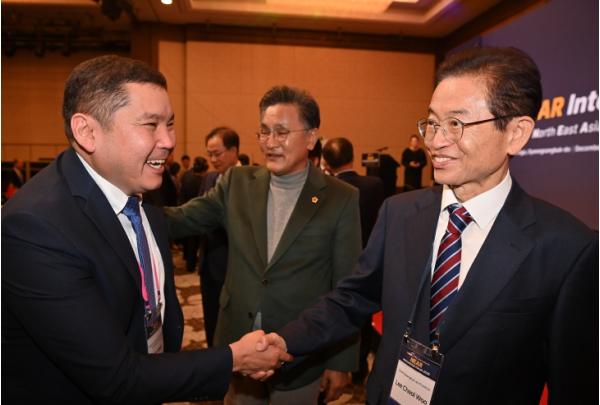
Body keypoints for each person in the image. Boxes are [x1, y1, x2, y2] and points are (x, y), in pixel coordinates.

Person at [269, 47, 598, 405]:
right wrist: (284, 342)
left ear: (516, 133)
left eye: (456, 124)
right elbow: (353, 298)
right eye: (432, 123)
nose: (434, 142)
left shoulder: (567, 249)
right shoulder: (398, 213)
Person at [1, 55, 290, 404]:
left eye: (170, 123)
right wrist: (234, 358)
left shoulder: (142, 190)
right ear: (87, 131)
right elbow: (116, 378)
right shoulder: (35, 228)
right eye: (151, 125)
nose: (168, 140)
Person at [165, 85, 361, 405]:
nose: (270, 143)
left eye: (281, 132)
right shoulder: (237, 183)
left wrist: (341, 363)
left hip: (302, 353)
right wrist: (123, 207)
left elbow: (347, 287)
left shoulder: (340, 198)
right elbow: (182, 219)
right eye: (264, 132)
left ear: (311, 138)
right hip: (239, 346)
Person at [321, 136, 385, 385]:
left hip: (334, 263)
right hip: (369, 260)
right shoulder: (374, 185)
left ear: (326, 162)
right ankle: (359, 370)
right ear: (353, 156)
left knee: (335, 311)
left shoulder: (325, 188)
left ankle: (334, 364)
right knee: (364, 313)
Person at [198, 126, 241, 346]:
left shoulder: (249, 182)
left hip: (234, 268)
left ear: (233, 151)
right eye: (210, 154)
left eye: (217, 154)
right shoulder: (209, 179)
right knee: (212, 321)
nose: (213, 160)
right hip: (209, 263)